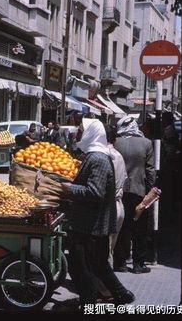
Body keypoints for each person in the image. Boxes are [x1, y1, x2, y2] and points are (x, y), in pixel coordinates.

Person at [61, 118, 135, 309]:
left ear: (91, 133)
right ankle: (121, 294)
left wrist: (70, 188)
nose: (77, 135)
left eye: (80, 131)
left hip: (91, 225)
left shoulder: (98, 159)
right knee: (99, 264)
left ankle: (89, 302)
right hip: (93, 223)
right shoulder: (94, 156)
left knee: (81, 266)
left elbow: (95, 192)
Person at [113, 116, 156, 274]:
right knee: (140, 229)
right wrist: (150, 191)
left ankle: (120, 263)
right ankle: (138, 264)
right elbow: (150, 170)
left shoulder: (116, 142)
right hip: (140, 192)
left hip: (120, 192)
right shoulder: (146, 143)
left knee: (123, 227)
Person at [104, 125, 127, 265]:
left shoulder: (104, 155)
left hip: (108, 209)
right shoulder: (119, 156)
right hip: (118, 207)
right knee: (108, 251)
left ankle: (103, 286)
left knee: (103, 254)